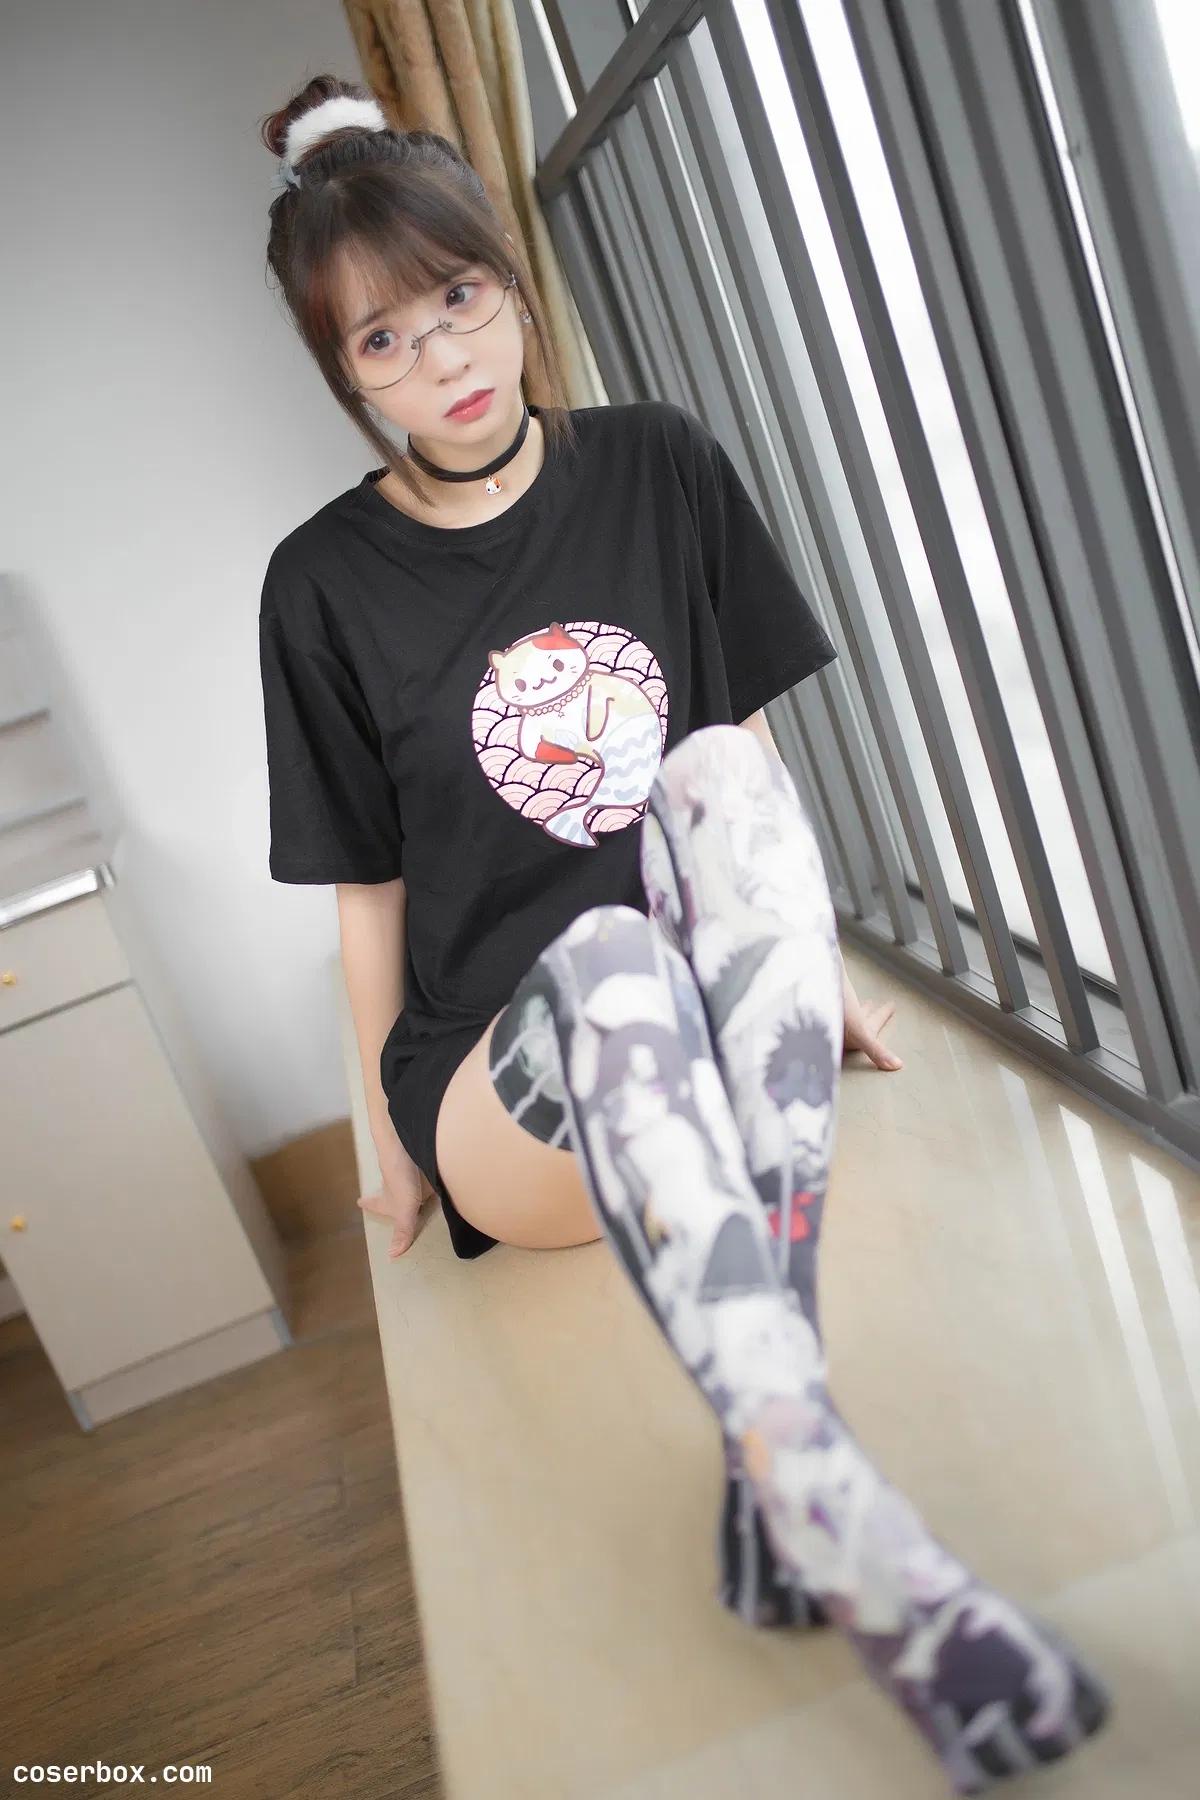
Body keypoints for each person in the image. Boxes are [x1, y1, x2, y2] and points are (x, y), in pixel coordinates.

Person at [257, 77, 1108, 1792]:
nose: (443, 359)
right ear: (344, 379)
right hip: (509, 1088)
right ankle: (851, 1517)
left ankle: (779, 1487)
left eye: (459, 299)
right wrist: (383, 1143)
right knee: (607, 958)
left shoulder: (658, 461)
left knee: (714, 772)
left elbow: (741, 761)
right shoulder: (321, 585)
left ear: (509, 275)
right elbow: (369, 885)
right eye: (384, 343)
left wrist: (805, 971)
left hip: (703, 1021)